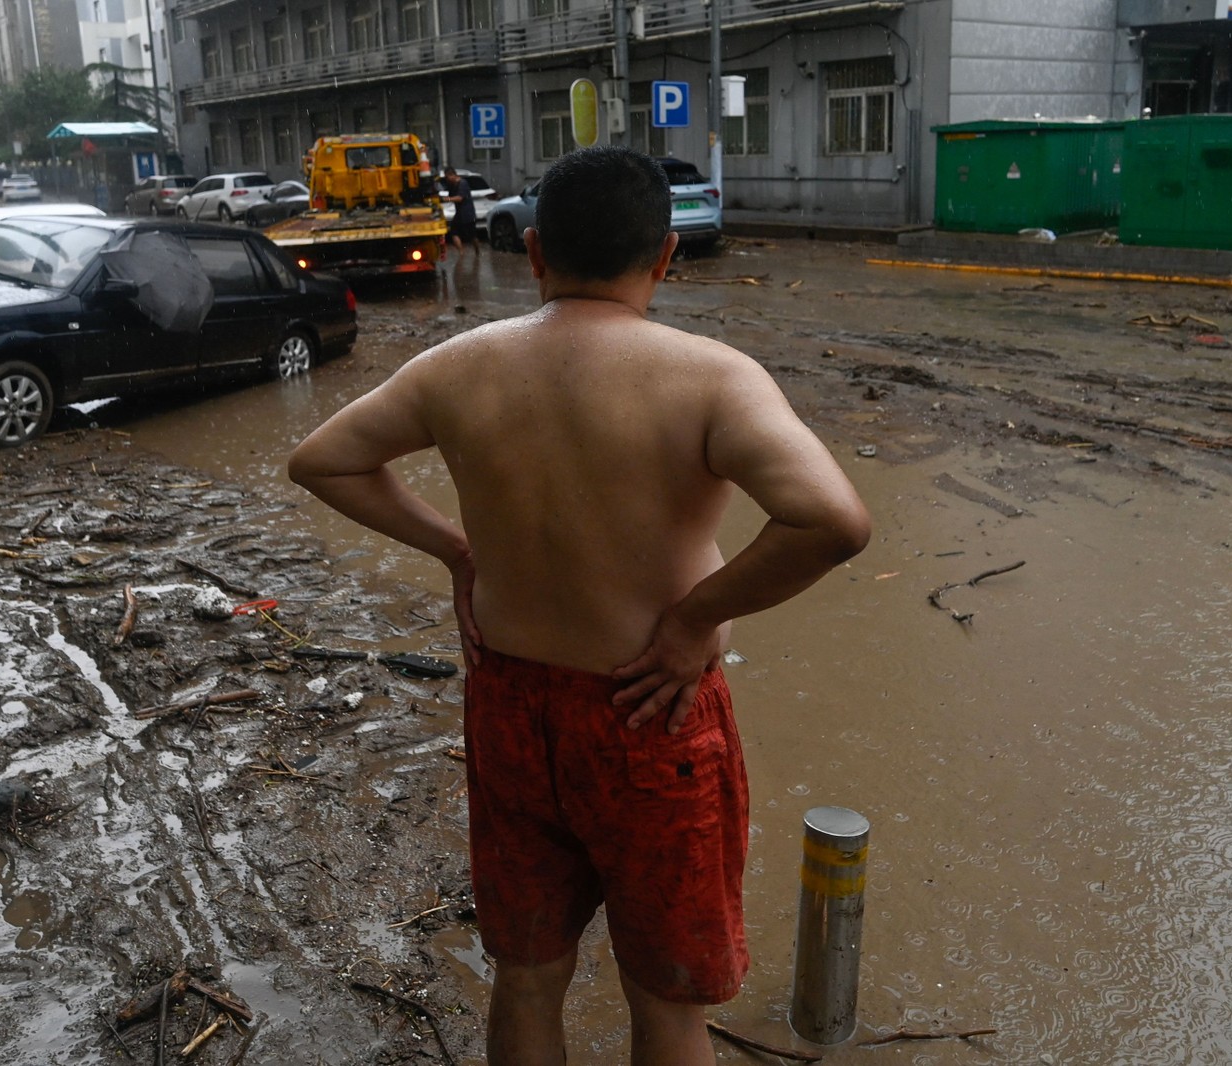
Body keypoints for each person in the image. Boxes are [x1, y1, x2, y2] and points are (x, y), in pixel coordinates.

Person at [288, 145, 870, 1066]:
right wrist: (687, 622)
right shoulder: (710, 377)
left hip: (511, 709)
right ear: (665, 257)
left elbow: (322, 460)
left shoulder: (457, 367)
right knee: (669, 1003)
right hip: (655, 713)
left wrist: (457, 548)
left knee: (526, 976)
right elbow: (832, 521)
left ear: (533, 252)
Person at [441, 165, 480, 258]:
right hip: (459, 214)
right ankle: (461, 253)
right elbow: (451, 194)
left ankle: (477, 251)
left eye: (448, 177)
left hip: (468, 214)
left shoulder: (463, 183)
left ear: (453, 175)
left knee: (472, 236)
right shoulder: (452, 185)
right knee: (453, 232)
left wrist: (447, 199)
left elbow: (459, 198)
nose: (447, 180)